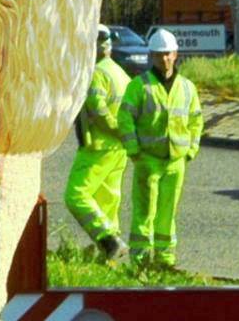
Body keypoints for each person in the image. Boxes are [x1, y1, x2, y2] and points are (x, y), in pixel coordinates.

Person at [118, 28, 203, 266]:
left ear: (175, 54)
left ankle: (165, 259)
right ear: (151, 56)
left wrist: (191, 150)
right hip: (148, 160)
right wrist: (133, 150)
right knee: (145, 212)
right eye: (158, 54)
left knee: (168, 212)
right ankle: (141, 259)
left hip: (176, 161)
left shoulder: (187, 87)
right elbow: (124, 119)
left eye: (167, 54)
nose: (164, 59)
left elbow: (196, 120)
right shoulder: (139, 86)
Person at [64, 26, 131, 259]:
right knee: (107, 200)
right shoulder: (120, 73)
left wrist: (116, 130)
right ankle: (109, 258)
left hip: (98, 147)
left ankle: (108, 240)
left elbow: (99, 112)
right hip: (118, 150)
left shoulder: (96, 73)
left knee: (76, 195)